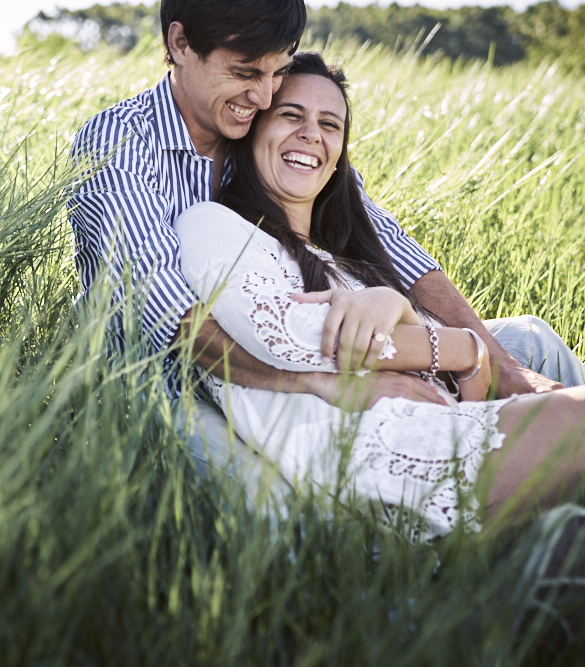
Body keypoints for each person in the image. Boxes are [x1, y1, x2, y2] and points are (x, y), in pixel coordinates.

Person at [66, 0, 581, 462]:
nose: (264, 95)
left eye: (277, 73)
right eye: (245, 72)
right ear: (179, 44)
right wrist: (312, 383)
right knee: (266, 508)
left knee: (528, 344)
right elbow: (169, 317)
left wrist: (498, 361)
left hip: (312, 347)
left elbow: (394, 250)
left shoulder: (266, 131)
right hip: (173, 382)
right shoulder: (119, 144)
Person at [173, 51, 585, 537]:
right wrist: (456, 344)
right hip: (370, 456)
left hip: (445, 433)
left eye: (330, 124)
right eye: (291, 115)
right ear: (252, 133)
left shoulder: (347, 268)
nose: (312, 134)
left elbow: (465, 391)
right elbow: (295, 336)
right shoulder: (212, 224)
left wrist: (444, 340)